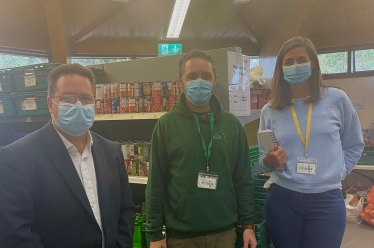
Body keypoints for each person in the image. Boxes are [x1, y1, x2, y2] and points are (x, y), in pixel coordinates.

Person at [0, 64, 136, 248]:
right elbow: (16, 235)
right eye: (68, 98)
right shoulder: (17, 158)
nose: (78, 104)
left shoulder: (111, 151)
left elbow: (125, 212)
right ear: (50, 104)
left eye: (86, 98)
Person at [258, 37, 365, 248]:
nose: (295, 66)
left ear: (312, 64)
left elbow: (354, 144)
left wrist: (339, 172)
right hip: (282, 200)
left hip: (326, 201)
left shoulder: (337, 99)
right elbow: (263, 158)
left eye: (301, 59)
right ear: (281, 68)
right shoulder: (269, 110)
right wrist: (269, 160)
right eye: (288, 62)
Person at [146, 49, 257, 248]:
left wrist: (248, 224)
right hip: (181, 236)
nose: (200, 81)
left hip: (224, 233)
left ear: (215, 80)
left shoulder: (232, 125)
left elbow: (243, 179)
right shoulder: (166, 125)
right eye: (192, 76)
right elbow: (156, 183)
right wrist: (155, 233)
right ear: (181, 82)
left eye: (205, 76)